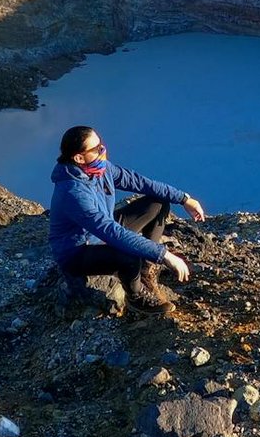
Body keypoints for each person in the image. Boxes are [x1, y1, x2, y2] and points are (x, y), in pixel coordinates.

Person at [48, 124, 206, 311]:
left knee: (159, 203)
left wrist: (185, 198)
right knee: (128, 254)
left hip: (102, 231)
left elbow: (140, 182)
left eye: (102, 145)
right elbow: (110, 232)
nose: (103, 151)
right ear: (79, 157)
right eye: (96, 149)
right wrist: (163, 255)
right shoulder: (72, 192)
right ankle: (136, 297)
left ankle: (145, 270)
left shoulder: (100, 169)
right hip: (79, 251)